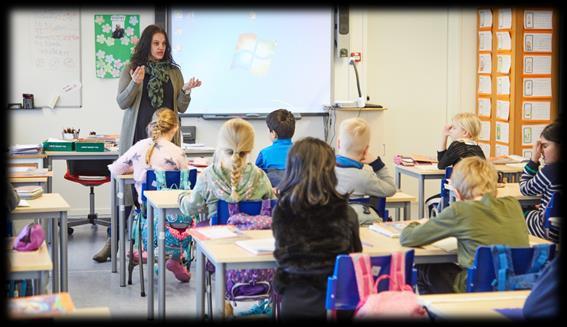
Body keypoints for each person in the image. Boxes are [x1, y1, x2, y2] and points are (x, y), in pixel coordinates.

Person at [400, 157, 529, 294]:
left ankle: (433, 311)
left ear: (457, 192)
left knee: (425, 267)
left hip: (476, 287)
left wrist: (417, 223)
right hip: (515, 284)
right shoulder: (513, 204)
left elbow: (408, 238)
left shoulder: (460, 210)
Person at [116, 24, 201, 225]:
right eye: (156, 43)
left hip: (166, 138)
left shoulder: (174, 72)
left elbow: (181, 107)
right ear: (147, 44)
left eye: (163, 43)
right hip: (138, 134)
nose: (160, 47)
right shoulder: (131, 68)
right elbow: (122, 102)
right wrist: (135, 83)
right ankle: (115, 241)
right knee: (129, 190)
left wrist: (186, 91)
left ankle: (163, 242)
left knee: (166, 187)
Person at [272, 137, 363, 320]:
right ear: (331, 171)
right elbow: (355, 256)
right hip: (339, 303)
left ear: (292, 169)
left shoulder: (282, 211)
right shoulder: (346, 213)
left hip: (294, 301)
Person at [93, 108, 189, 277]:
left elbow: (115, 170)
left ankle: (145, 249)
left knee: (145, 211)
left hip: (148, 217)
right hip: (178, 221)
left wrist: (134, 168)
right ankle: (175, 258)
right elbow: (186, 178)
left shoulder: (140, 146)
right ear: (175, 128)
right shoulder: (178, 152)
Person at [178, 118, 274, 222]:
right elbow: (274, 207)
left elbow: (190, 209)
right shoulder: (259, 176)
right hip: (253, 237)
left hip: (217, 237)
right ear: (250, 149)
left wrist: (182, 197)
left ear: (220, 146)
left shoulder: (208, 177)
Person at [335, 118, 396, 225]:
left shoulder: (324, 171)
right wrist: (377, 164)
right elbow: (391, 189)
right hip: (360, 230)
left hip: (331, 230)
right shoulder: (365, 177)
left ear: (339, 143)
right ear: (366, 150)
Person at [520, 122, 560, 243]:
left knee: (517, 211)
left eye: (545, 146)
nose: (541, 151)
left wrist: (533, 160)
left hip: (549, 230)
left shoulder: (551, 171)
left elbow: (525, 189)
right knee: (532, 207)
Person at [255, 109, 295, 188]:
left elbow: (256, 178)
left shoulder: (264, 154)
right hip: (297, 197)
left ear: (274, 134)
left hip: (275, 197)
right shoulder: (303, 151)